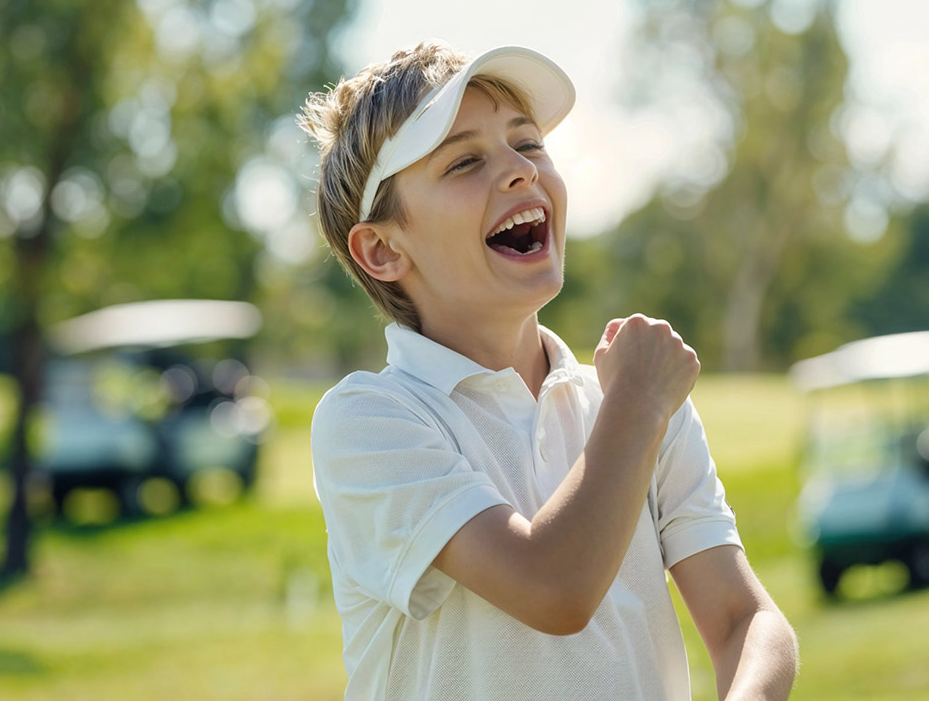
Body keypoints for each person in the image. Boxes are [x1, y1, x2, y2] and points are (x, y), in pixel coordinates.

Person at [300, 41, 798, 700]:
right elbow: (553, 588)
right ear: (384, 249)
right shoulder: (369, 420)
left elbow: (745, 619)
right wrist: (638, 405)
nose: (519, 171)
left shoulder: (633, 402)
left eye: (528, 143)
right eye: (465, 161)